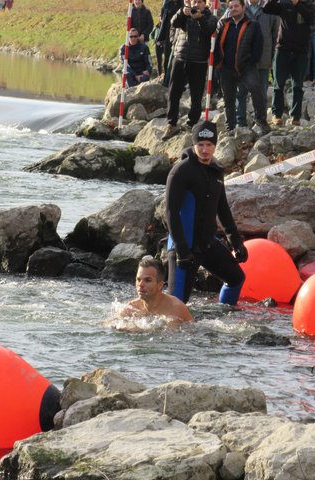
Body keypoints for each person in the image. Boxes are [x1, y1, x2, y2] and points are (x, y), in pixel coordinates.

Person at [165, 120, 248, 305]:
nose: (204, 150)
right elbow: (170, 212)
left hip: (207, 245)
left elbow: (223, 208)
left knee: (236, 279)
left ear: (215, 145)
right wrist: (180, 250)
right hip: (184, 248)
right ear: (194, 144)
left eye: (209, 145)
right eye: (200, 145)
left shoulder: (216, 171)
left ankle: (223, 320)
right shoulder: (181, 171)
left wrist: (236, 242)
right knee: (175, 308)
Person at [162, 0, 218, 141]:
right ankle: (171, 123)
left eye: (200, 2)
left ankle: (192, 123)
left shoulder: (210, 17)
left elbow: (209, 30)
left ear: (204, 4)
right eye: (194, 1)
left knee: (196, 95)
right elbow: (173, 23)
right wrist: (181, 12)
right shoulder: (183, 14)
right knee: (173, 92)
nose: (197, 5)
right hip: (180, 58)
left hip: (198, 61)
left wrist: (200, 18)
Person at [215, 0, 271, 134]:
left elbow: (258, 46)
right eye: (231, 7)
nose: (233, 9)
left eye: (236, 6)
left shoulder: (253, 25)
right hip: (227, 68)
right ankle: (231, 126)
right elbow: (217, 44)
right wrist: (218, 63)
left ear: (243, 8)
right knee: (229, 98)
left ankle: (261, 121)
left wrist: (252, 62)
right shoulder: (224, 25)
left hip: (246, 67)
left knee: (257, 91)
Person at [263, 0, 315, 126]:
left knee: (297, 86)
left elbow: (311, 19)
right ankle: (277, 114)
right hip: (283, 50)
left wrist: (297, 4)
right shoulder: (284, 4)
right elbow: (267, 8)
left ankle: (295, 116)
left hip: (300, 52)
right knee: (278, 84)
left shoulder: (310, 6)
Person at [236, 0, 280, 127]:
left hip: (263, 57)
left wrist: (272, 57)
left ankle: (261, 122)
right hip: (242, 59)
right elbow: (224, 25)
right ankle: (241, 122)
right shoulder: (239, 6)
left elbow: (276, 35)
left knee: (261, 92)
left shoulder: (269, 9)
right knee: (241, 92)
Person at [119, 256, 194, 326]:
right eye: (138, 280)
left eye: (147, 280)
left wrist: (138, 330)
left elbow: (172, 336)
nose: (140, 284)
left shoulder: (175, 309)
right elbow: (110, 324)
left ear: (160, 285)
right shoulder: (132, 308)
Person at [158, 0, 183, 86]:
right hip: (168, 34)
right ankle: (167, 79)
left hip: (180, 33)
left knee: (178, 58)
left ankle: (177, 81)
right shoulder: (166, 4)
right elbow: (162, 19)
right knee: (167, 58)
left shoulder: (182, 3)